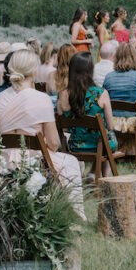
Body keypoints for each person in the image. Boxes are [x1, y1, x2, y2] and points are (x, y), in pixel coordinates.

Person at [0, 50, 85, 216]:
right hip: (32, 160)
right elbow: (53, 144)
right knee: (71, 161)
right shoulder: (41, 99)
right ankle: (70, 213)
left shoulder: (0, 99)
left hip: (4, 160)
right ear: (33, 71)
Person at [54, 52, 116, 186]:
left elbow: (64, 127)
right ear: (90, 70)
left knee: (100, 138)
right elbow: (110, 126)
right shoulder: (101, 93)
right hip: (98, 145)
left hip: (74, 145)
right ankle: (102, 177)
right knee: (106, 138)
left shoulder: (63, 94)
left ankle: (93, 174)